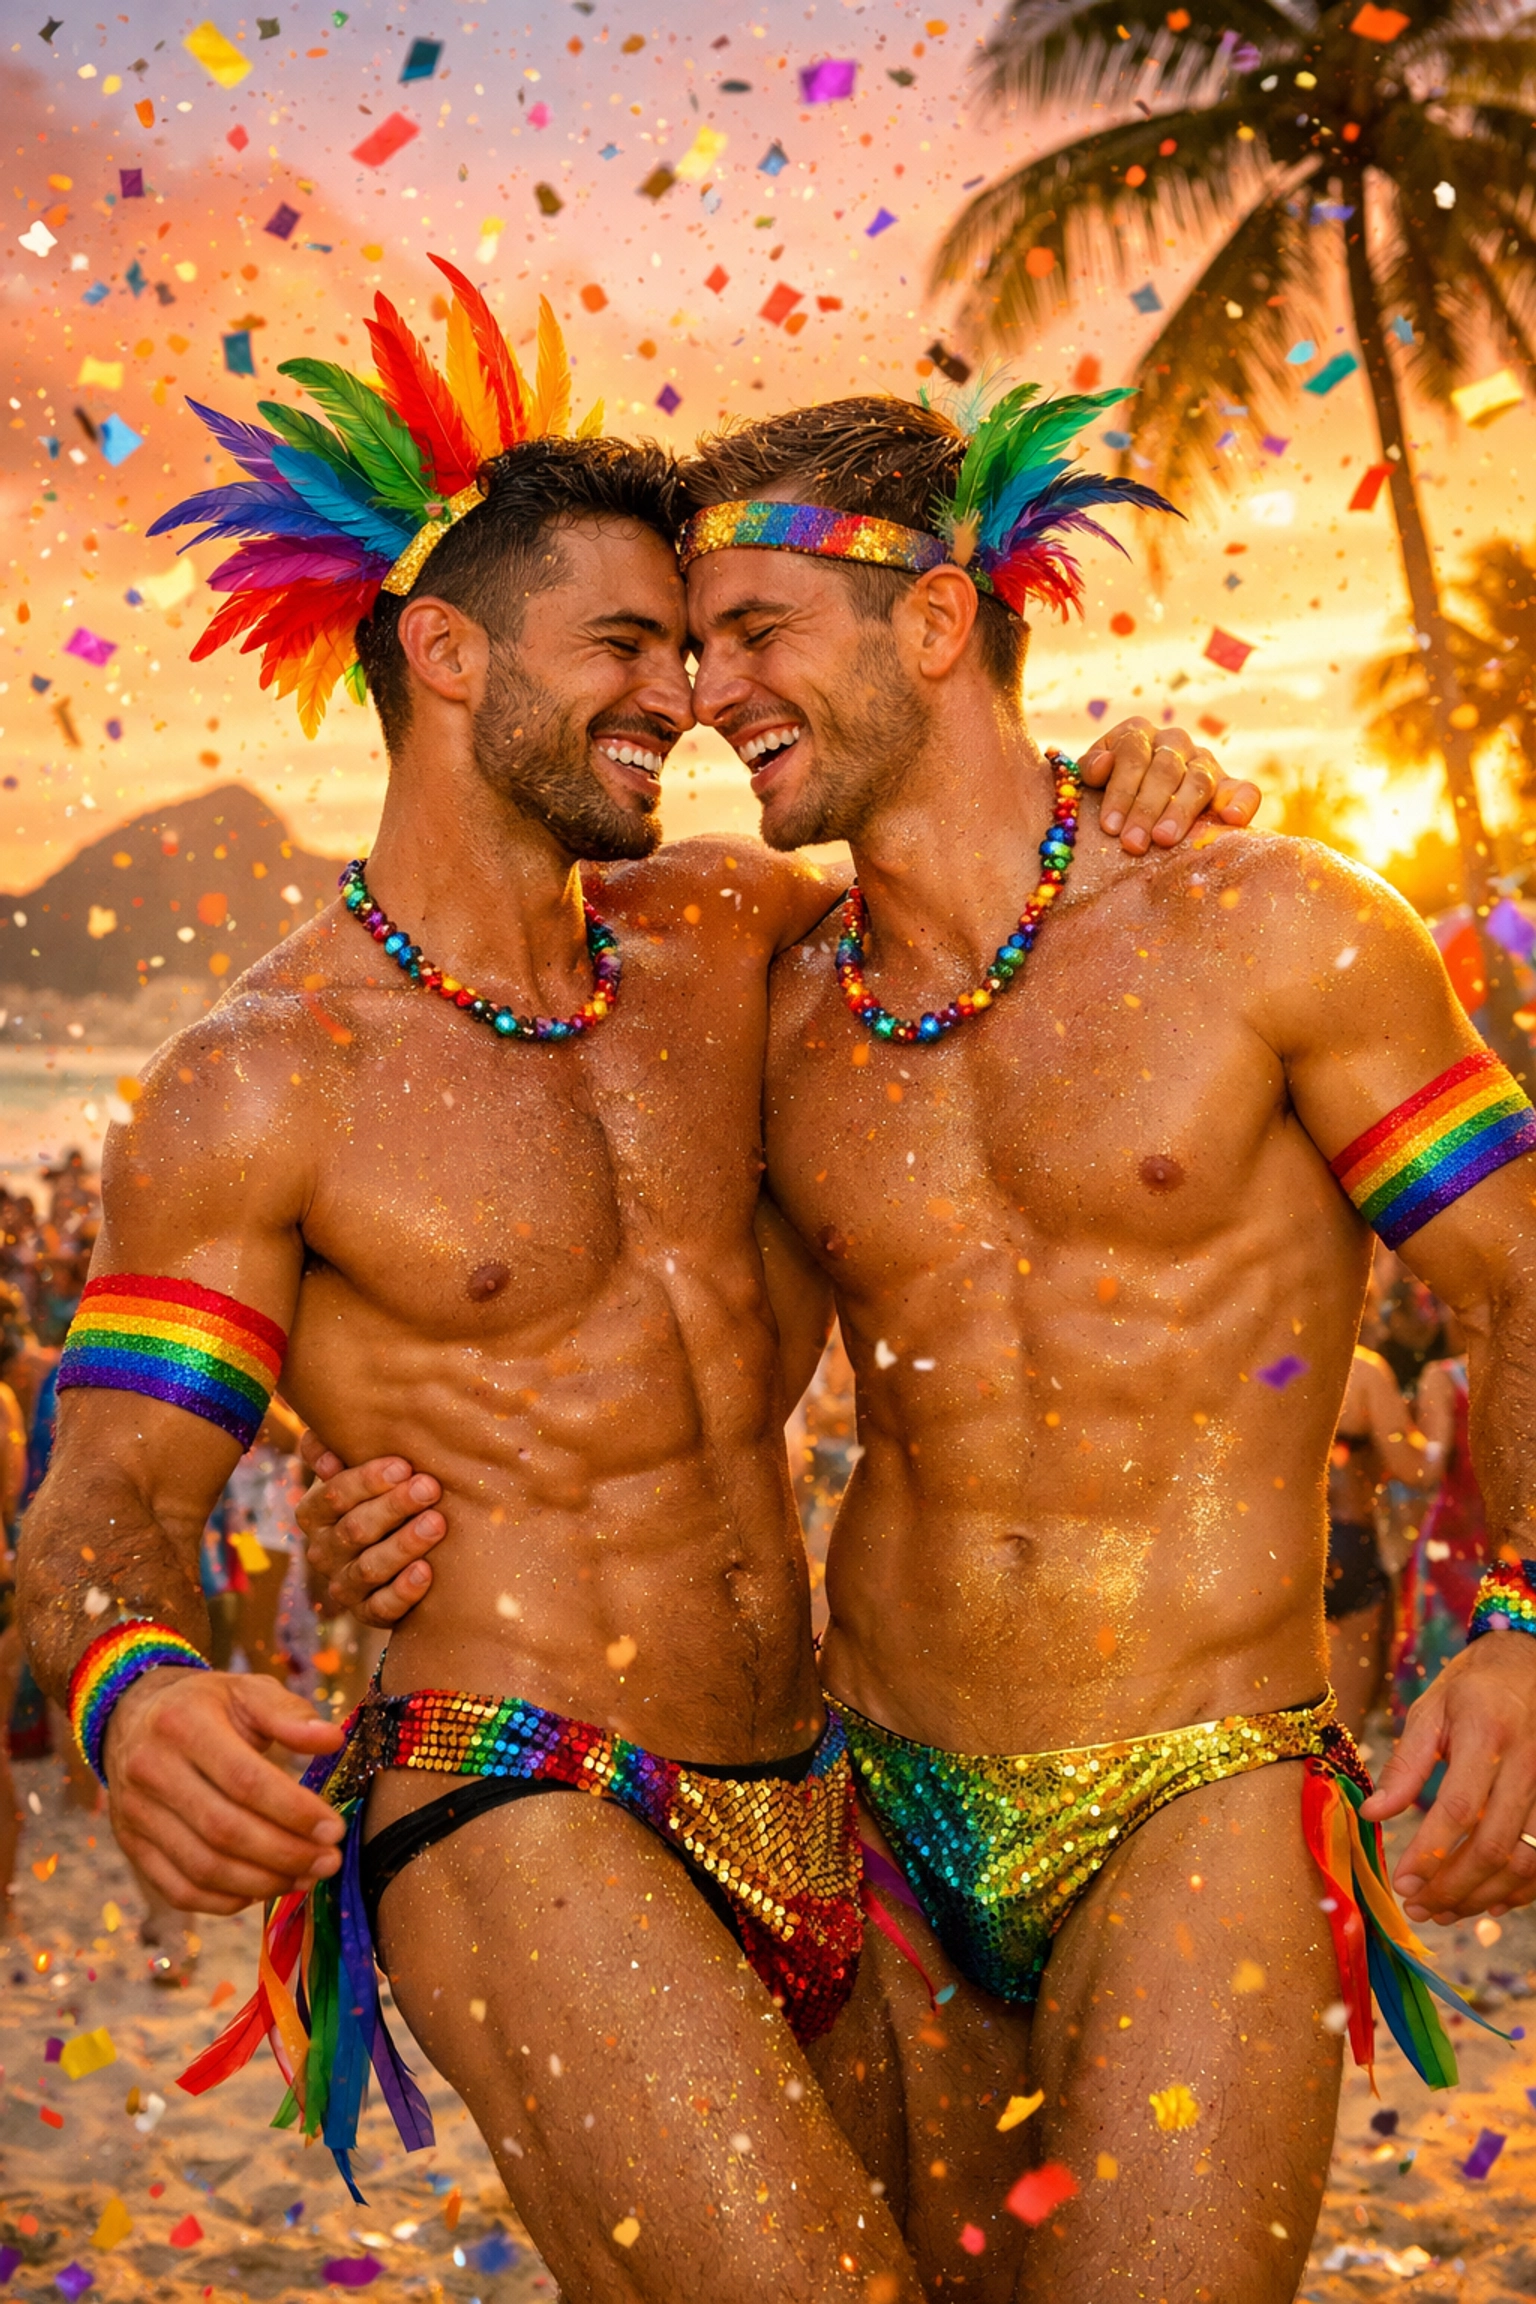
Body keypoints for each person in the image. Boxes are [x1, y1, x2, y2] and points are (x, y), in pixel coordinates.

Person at [15, 278, 1236, 2302]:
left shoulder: (732, 943)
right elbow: (105, 1499)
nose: (680, 700)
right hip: (510, 1780)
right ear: (442, 649)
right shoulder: (258, 1084)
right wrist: (133, 1685)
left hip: (823, 1795)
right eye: (624, 648)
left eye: (691, 649)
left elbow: (988, 885)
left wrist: (1136, 767)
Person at [317, 389, 1536, 2301]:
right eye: (686, 643)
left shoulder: (1267, 923)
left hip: (1200, 1779)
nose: (708, 691)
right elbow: (579, 1259)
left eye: (750, 630)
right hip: (873, 1823)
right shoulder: (772, 997)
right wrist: (370, 1487)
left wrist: (1521, 1623)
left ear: (940, 619)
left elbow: (1520, 1276)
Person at [1325, 1343, 1434, 1739]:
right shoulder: (1362, 1370)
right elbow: (1414, 1469)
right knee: (1341, 1733)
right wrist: (1440, 1427)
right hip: (1347, 1546)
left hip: (1282, 1555)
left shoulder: (1285, 1364)